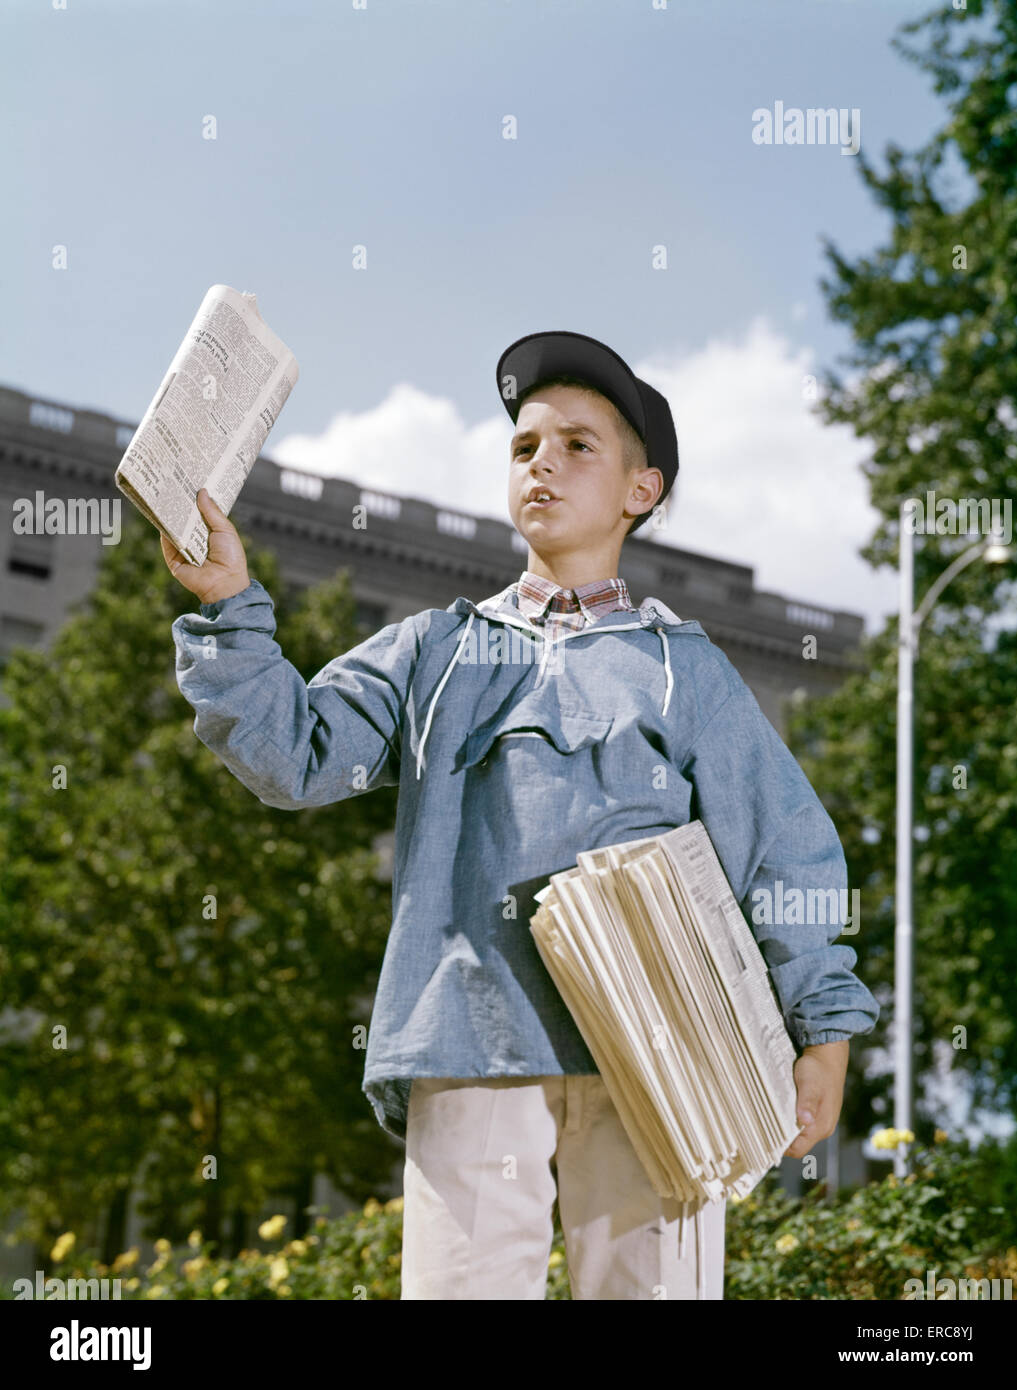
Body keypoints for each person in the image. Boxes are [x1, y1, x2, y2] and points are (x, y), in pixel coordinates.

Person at [165, 329, 880, 1300]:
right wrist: (228, 603)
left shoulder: (686, 667)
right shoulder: (435, 653)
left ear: (643, 491)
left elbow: (786, 850)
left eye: (579, 443)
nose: (542, 459)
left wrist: (824, 1032)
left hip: (664, 1050)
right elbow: (296, 755)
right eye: (524, 445)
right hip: (469, 1038)